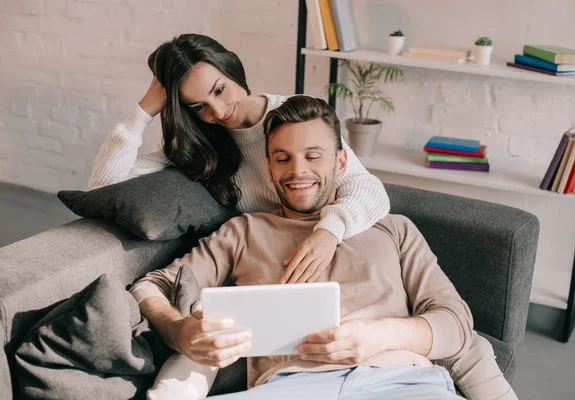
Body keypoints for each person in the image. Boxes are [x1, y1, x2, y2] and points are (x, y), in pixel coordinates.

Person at [130, 95, 487, 399]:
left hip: (399, 381)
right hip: (288, 387)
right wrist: (178, 331)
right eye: (283, 158)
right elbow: (150, 285)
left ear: (341, 161)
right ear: (269, 169)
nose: (297, 171)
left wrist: (378, 336)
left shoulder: (394, 229)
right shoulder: (244, 232)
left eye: (313, 156)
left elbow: (456, 323)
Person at [88, 33, 390, 285]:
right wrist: (144, 110)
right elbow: (102, 189)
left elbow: (369, 189)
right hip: (267, 265)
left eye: (219, 90)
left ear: (231, 67)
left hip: (331, 252)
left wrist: (327, 233)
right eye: (198, 107)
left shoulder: (294, 116)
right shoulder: (199, 143)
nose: (218, 112)